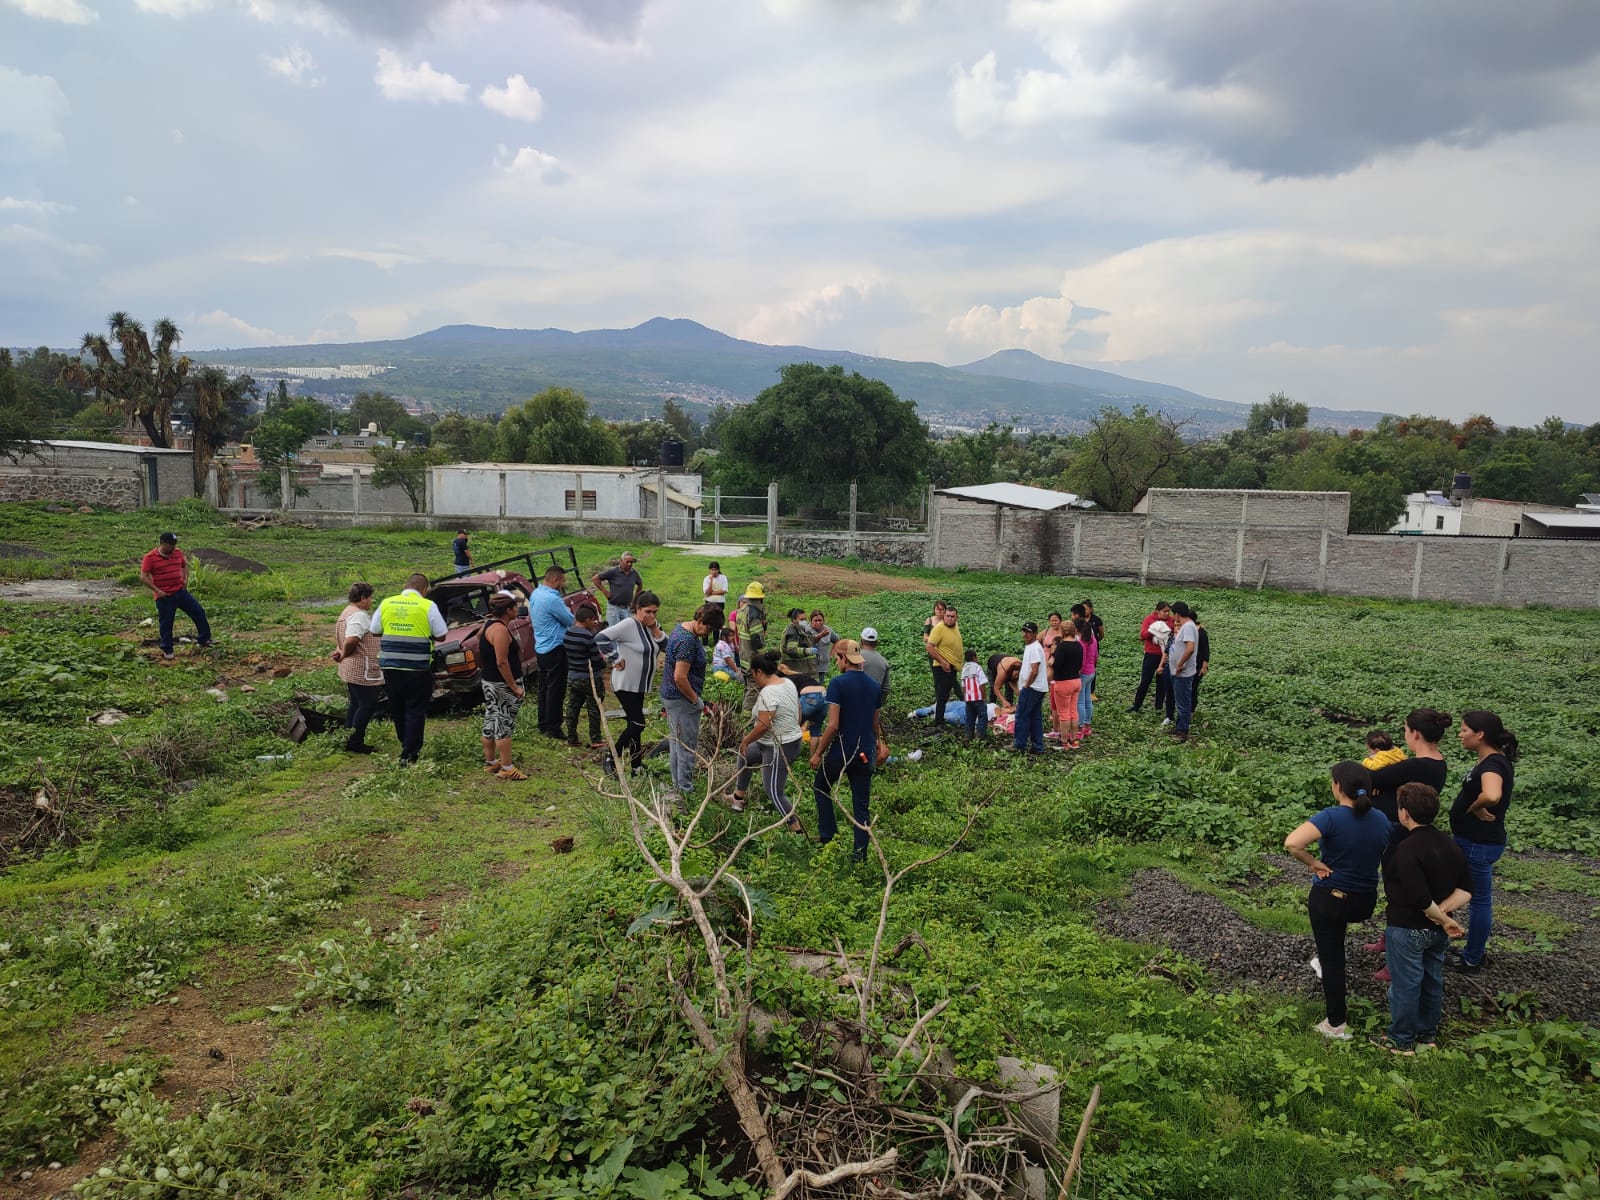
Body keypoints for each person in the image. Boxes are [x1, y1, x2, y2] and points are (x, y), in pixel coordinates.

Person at [1283, 760, 1391, 1040]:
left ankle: (1336, 1024)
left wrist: (1313, 863)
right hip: (1364, 901)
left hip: (1331, 899)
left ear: (1337, 787)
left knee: (1333, 959)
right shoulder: (1380, 819)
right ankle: (1323, 960)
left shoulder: (1330, 817)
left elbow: (1292, 843)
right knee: (1332, 945)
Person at [1377, 783, 1472, 1054]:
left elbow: (1418, 897)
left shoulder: (1407, 848)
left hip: (1407, 928)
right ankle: (1427, 1036)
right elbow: (1467, 889)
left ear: (1404, 813)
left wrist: (1440, 917)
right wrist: (1444, 915)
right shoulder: (1449, 844)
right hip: (1439, 931)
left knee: (1406, 984)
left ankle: (1401, 1039)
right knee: (1432, 980)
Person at [1362, 707, 1453, 978]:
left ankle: (1397, 956)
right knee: (1397, 887)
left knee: (1397, 889)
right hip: (1405, 829)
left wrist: (1377, 783)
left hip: (1400, 833)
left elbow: (1369, 777)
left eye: (1405, 729)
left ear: (1414, 733)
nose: (1403, 735)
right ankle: (1390, 941)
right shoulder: (1436, 762)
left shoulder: (1417, 765)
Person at [1448, 710, 1518, 975]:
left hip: (1479, 843)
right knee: (1471, 895)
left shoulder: (1492, 764)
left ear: (1480, 734)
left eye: (1465, 729)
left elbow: (1491, 794)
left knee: (1479, 901)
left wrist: (1476, 805)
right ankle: (1467, 949)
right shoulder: (1490, 759)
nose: (1460, 734)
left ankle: (1472, 958)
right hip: (1472, 841)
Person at [810, 639, 887, 861]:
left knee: (821, 787)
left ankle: (828, 837)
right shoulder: (873, 686)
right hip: (864, 752)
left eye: (837, 658)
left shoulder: (838, 684)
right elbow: (875, 724)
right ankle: (859, 855)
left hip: (842, 751)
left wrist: (817, 753)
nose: (836, 663)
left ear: (845, 658)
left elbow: (833, 725)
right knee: (861, 806)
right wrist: (879, 745)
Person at [369, 572, 447, 766]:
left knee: (397, 706)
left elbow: (374, 630)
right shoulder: (427, 605)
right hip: (417, 667)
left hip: (390, 666)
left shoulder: (387, 603)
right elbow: (442, 635)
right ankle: (409, 754)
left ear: (405, 586)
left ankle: (405, 742)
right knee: (415, 709)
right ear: (424, 589)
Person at [596, 590, 667, 776]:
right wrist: (615, 657)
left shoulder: (651, 626)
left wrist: (654, 628)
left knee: (634, 725)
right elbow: (601, 638)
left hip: (639, 685)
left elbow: (666, 645)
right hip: (625, 683)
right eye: (648, 612)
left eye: (655, 612)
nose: (651, 616)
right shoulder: (629, 624)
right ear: (637, 609)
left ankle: (636, 767)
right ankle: (611, 757)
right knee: (638, 724)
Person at [732, 652, 805, 832]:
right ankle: (738, 798)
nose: (754, 679)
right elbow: (798, 708)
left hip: (780, 746)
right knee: (746, 756)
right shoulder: (787, 682)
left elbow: (764, 725)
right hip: (774, 741)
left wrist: (746, 740)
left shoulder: (768, 692)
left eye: (753, 675)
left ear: (758, 672)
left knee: (773, 791)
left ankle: (795, 828)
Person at [659, 604, 724, 803]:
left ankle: (678, 785)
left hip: (672, 696)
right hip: (682, 699)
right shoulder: (687, 641)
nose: (708, 633)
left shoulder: (681, 629)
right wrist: (696, 701)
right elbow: (680, 677)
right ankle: (685, 789)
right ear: (700, 621)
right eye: (708, 628)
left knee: (677, 742)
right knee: (686, 745)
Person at [140, 532, 212, 661]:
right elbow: (144, 577)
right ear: (162, 543)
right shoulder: (150, 557)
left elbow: (184, 566)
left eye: (175, 544)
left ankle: (204, 639)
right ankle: (167, 650)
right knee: (166, 624)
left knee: (199, 612)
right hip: (165, 596)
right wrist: (157, 590)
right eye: (171, 545)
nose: (173, 547)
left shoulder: (177, 553)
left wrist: (185, 580)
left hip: (180, 592)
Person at [478, 593, 528, 779]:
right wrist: (513, 686)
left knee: (491, 718)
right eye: (515, 607)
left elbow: (478, 638)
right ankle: (507, 767)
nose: (518, 610)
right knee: (503, 723)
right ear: (508, 610)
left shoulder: (488, 624)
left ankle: (491, 762)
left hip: (489, 681)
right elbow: (502, 662)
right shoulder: (499, 630)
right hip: (501, 684)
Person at [332, 582, 382, 754]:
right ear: (362, 598)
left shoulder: (347, 611)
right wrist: (345, 652)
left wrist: (341, 652)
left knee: (356, 703)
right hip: (362, 668)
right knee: (368, 704)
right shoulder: (359, 615)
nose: (371, 601)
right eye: (370, 598)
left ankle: (348, 736)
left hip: (352, 668)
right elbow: (352, 639)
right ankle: (355, 741)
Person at [531, 564, 576, 739]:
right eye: (563, 580)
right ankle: (554, 726)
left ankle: (543, 722)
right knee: (556, 689)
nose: (563, 584)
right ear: (555, 580)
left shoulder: (536, 593)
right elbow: (569, 619)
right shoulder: (552, 599)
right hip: (555, 647)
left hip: (541, 646)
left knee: (544, 687)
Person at [563, 602, 607, 748]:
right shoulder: (588, 637)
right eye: (593, 620)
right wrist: (604, 662)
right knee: (594, 707)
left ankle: (572, 737)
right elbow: (596, 660)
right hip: (589, 678)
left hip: (572, 676)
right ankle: (596, 739)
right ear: (588, 619)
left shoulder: (568, 633)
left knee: (573, 707)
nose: (594, 623)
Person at [1129, 601, 1171, 713]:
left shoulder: (1171, 621)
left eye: (1168, 611)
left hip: (1165, 655)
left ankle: (1158, 706)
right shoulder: (1149, 619)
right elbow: (1142, 635)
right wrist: (1154, 630)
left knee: (1161, 682)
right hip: (1151, 654)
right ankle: (1137, 705)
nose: (1166, 614)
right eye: (1164, 611)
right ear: (1158, 611)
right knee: (1145, 681)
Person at [1166, 602, 1199, 742]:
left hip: (1183, 672)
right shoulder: (1188, 626)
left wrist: (1180, 664)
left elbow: (1190, 648)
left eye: (1174, 614)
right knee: (1180, 700)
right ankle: (1179, 726)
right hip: (1178, 671)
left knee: (1183, 702)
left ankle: (1183, 731)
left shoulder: (1188, 627)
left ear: (1178, 614)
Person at [925, 603, 963, 724]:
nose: (949, 619)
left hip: (953, 666)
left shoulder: (955, 625)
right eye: (947, 616)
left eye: (952, 616)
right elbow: (929, 647)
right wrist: (943, 662)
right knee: (943, 696)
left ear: (956, 617)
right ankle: (939, 721)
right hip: (943, 667)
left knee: (945, 694)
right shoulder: (939, 628)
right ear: (944, 616)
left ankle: (939, 718)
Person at [1013, 622, 1048, 755]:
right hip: (1038, 687)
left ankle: (1019, 744)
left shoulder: (1034, 648)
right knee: (1035, 716)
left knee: (1022, 715)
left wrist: (1026, 685)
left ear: (1034, 633)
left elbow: (1034, 670)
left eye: (1028, 632)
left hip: (1033, 687)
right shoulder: (1032, 646)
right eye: (1024, 631)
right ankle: (1037, 746)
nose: (1025, 634)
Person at [1050, 620, 1084, 748]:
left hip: (1063, 682)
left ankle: (1064, 742)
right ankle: (1074, 740)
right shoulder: (1078, 646)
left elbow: (1057, 665)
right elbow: (1080, 665)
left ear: (1062, 632)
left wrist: (1053, 656)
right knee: (1073, 711)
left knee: (1063, 714)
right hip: (1076, 681)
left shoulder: (1062, 646)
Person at [594, 552, 643, 626]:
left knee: (626, 629)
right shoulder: (613, 571)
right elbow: (595, 579)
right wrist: (605, 592)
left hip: (627, 608)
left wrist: (635, 600)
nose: (629, 564)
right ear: (621, 561)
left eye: (631, 562)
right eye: (627, 562)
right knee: (613, 630)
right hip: (614, 608)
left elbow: (640, 583)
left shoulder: (634, 573)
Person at [779, 607, 818, 687]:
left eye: (805, 619)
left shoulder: (801, 630)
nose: (804, 621)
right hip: (795, 671)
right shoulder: (792, 631)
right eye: (801, 619)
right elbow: (792, 650)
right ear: (794, 620)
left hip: (803, 672)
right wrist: (807, 651)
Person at [1074, 612, 1098, 737]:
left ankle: (1080, 727)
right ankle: (1087, 726)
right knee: (1088, 699)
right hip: (1091, 672)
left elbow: (1081, 661)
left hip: (1083, 674)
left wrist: (1078, 673)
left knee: (1080, 702)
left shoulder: (1081, 642)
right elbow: (1095, 656)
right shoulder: (1092, 639)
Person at [959, 649, 988, 742]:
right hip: (978, 697)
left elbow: (963, 686)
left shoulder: (964, 668)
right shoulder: (977, 668)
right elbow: (982, 684)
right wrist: (984, 696)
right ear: (974, 658)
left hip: (968, 698)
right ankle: (980, 736)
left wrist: (965, 697)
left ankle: (968, 736)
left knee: (970, 718)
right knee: (982, 716)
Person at [736, 582, 768, 661]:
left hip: (744, 652)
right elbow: (756, 639)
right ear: (760, 598)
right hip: (753, 657)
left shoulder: (741, 610)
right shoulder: (754, 615)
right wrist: (764, 656)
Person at [860, 628, 891, 701]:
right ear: (877, 643)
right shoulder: (884, 661)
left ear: (861, 641)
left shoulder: (855, 657)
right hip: (873, 703)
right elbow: (886, 688)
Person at [809, 610, 839, 681]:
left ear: (824, 621)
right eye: (815, 620)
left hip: (822, 666)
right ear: (811, 621)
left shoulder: (828, 630)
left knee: (820, 684)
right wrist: (821, 635)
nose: (818, 622)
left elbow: (837, 640)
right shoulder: (806, 630)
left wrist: (831, 654)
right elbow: (811, 641)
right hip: (808, 666)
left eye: (820, 620)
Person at [1190, 609, 1210, 714]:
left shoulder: (1201, 632)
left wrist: (1204, 666)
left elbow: (1205, 651)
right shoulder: (1190, 630)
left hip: (1198, 665)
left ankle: (1191, 710)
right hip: (1190, 664)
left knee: (1193, 688)